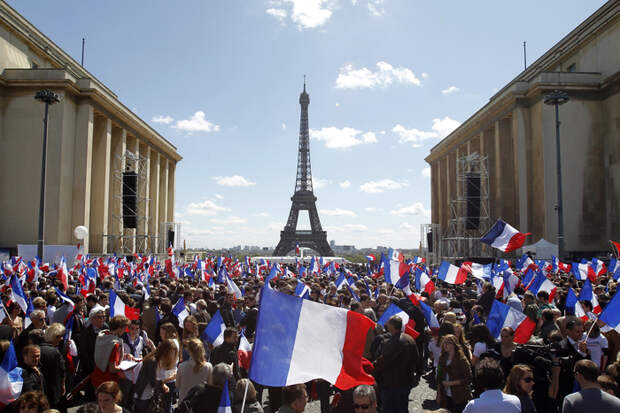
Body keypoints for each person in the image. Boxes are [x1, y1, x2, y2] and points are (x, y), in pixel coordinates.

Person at [379, 315, 420, 413]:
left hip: (393, 384)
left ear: (392, 326)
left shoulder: (394, 342)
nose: (386, 325)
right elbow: (417, 358)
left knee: (390, 409)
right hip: (406, 381)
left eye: (388, 323)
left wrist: (372, 370)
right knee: (402, 408)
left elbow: (383, 361)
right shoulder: (410, 339)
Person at [133, 339, 178, 413]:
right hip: (143, 396)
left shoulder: (158, 360)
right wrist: (166, 382)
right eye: (172, 353)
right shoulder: (152, 361)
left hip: (149, 395)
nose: (172, 356)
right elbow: (153, 382)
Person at [91, 315, 131, 389]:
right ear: (119, 328)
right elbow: (112, 369)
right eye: (124, 328)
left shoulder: (103, 336)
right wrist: (129, 368)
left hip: (97, 377)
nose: (125, 331)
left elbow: (106, 355)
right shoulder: (114, 345)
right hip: (107, 382)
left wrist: (124, 355)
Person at [437, 334, 472, 413]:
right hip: (445, 396)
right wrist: (438, 394)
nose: (445, 345)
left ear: (454, 345)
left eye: (448, 343)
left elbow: (468, 378)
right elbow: (439, 376)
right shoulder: (442, 358)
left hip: (459, 396)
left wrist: (451, 383)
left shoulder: (461, 359)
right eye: (444, 342)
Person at [39, 323, 66, 408]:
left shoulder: (38, 348)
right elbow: (62, 370)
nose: (61, 339)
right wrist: (63, 384)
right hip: (53, 388)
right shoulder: (54, 351)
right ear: (54, 336)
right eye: (59, 336)